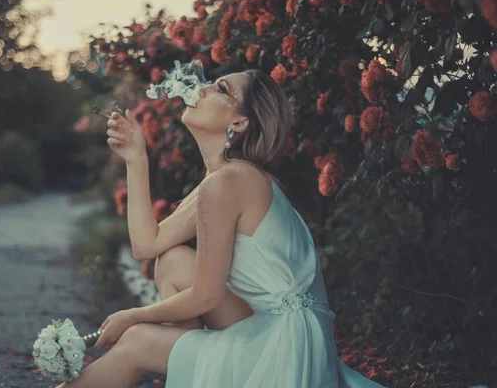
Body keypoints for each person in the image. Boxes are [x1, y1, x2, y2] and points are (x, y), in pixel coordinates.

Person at [57, 69, 386, 387]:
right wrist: (136, 159)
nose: (200, 88)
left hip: (286, 349)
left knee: (138, 340)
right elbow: (147, 244)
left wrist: (132, 316)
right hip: (269, 327)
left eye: (221, 89)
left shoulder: (231, 182)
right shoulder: (222, 180)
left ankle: (178, 357)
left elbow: (205, 296)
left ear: (240, 122)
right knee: (171, 260)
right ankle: (192, 363)